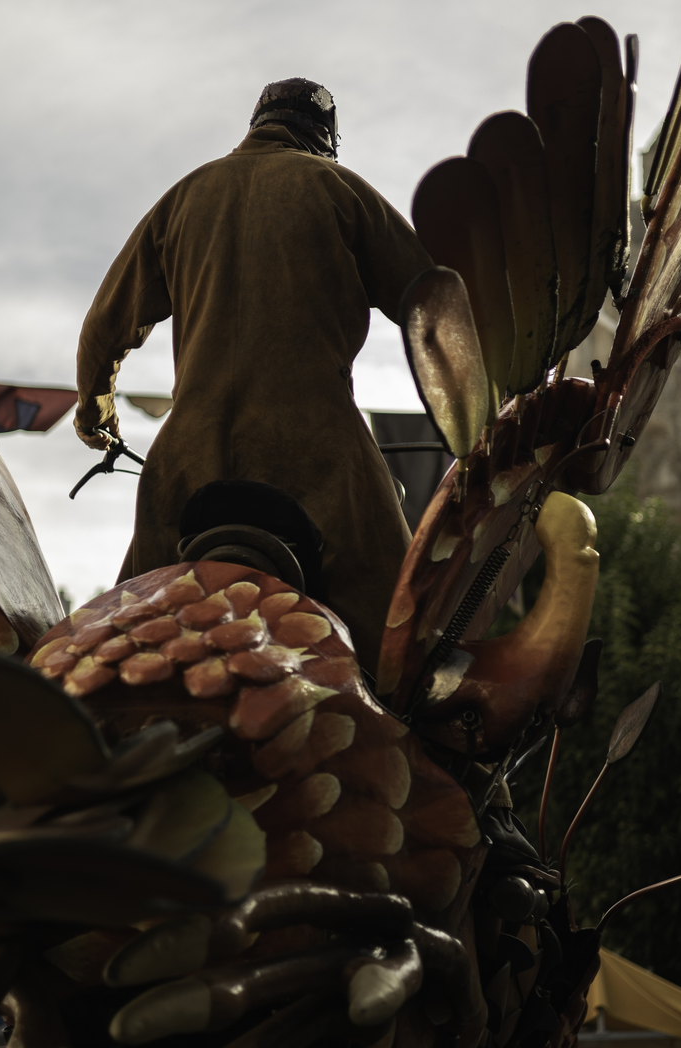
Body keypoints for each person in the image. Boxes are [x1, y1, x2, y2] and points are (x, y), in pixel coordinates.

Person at [74, 78, 434, 675]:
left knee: (117, 647)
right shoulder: (338, 188)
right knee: (407, 642)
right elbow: (435, 307)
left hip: (186, 463)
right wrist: (485, 411)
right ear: (326, 139)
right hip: (322, 460)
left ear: (255, 123)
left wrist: (96, 415)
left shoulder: (182, 198)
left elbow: (101, 329)